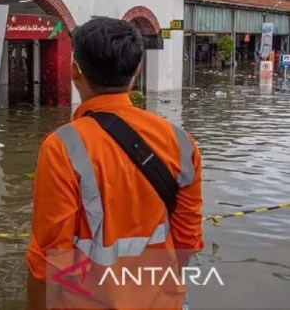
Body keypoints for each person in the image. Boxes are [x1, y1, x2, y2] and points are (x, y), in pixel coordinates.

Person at [25, 18, 204, 309]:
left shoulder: (61, 148)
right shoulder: (181, 142)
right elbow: (187, 242)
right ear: (138, 70)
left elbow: (50, 258)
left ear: (74, 71)